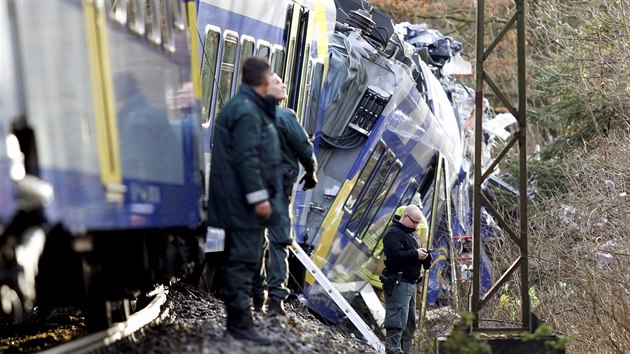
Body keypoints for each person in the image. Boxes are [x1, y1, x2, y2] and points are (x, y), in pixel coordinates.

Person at [206, 57, 287, 345]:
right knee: (242, 261)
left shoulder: (246, 107)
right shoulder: (247, 112)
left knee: (244, 260)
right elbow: (247, 158)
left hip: (237, 201)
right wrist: (259, 198)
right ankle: (239, 324)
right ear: (264, 82)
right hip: (241, 204)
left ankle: (240, 322)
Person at [251, 74, 317, 316]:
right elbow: (305, 148)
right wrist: (311, 173)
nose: (284, 85)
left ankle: (258, 293)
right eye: (277, 83)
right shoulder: (285, 116)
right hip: (278, 188)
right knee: (279, 241)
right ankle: (276, 299)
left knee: (257, 240)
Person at [380, 205, 431, 354]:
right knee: (396, 321)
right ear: (405, 217)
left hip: (410, 283)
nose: (416, 226)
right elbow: (395, 256)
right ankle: (393, 350)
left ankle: (404, 351)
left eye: (418, 223)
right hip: (398, 282)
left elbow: (412, 255)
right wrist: (415, 254)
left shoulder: (412, 234)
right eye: (414, 222)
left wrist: (425, 257)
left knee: (409, 324)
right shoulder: (393, 233)